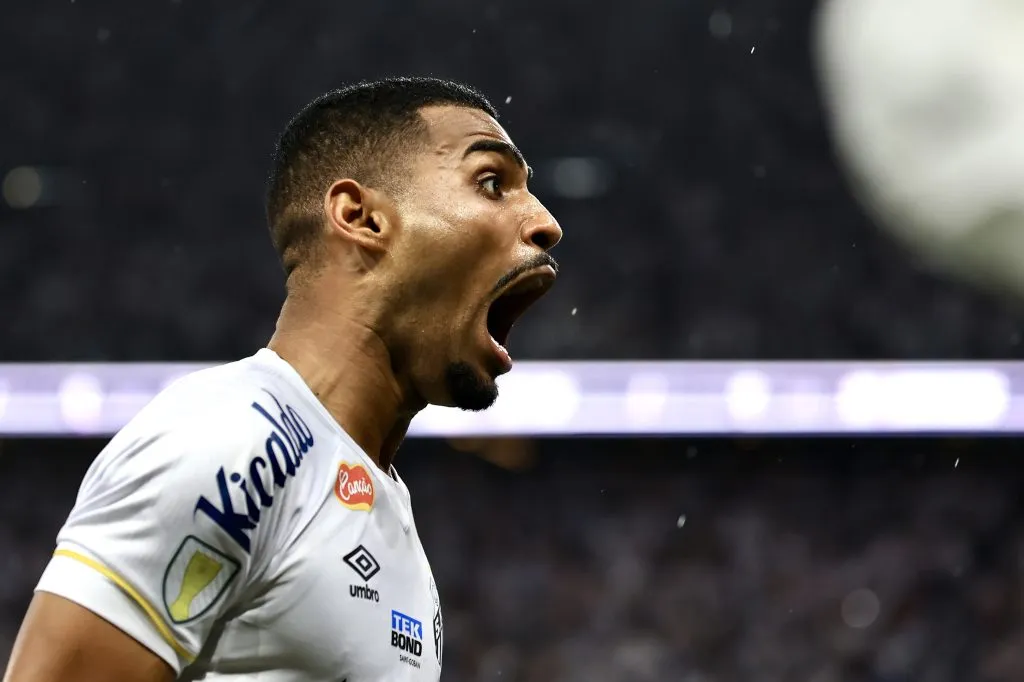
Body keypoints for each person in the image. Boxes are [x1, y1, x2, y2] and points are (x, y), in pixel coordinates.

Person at [3, 76, 562, 682]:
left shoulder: (378, 501)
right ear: (361, 217)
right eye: (491, 183)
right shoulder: (231, 440)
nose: (546, 222)